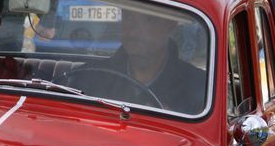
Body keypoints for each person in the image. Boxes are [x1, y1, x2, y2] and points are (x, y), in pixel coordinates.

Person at [66, 8, 206, 113]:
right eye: (128, 16)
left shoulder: (198, 90)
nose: (133, 31)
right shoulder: (87, 78)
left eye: (148, 19)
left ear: (170, 25)